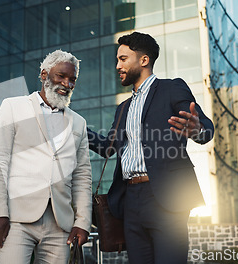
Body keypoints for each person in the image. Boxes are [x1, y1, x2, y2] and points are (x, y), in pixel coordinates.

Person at [87, 32, 214, 263]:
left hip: (167, 198)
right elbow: (108, 148)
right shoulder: (123, 108)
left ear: (144, 60)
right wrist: (77, 129)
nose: (118, 66)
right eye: (118, 60)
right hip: (130, 200)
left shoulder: (171, 89)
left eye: (123, 59)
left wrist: (197, 130)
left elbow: (205, 127)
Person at [0, 50, 92, 263]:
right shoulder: (12, 107)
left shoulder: (79, 122)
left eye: (72, 80)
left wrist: (82, 222)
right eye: (60, 76)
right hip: (16, 220)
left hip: (60, 224)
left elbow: (82, 176)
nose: (66, 84)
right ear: (44, 75)